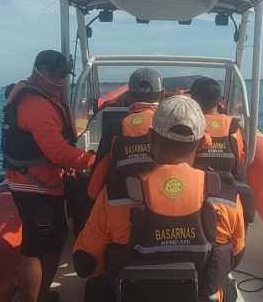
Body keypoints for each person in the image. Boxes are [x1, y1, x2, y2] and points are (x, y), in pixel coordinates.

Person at [73, 96, 245, 302]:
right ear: (202, 143)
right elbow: (235, 256)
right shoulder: (227, 197)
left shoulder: (114, 196)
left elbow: (84, 262)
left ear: (150, 139)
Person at [2, 50, 95, 302]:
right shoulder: (36, 105)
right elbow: (58, 152)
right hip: (35, 186)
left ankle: (43, 295)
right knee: (36, 246)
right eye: (54, 74)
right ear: (38, 71)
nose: (60, 79)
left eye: (63, 75)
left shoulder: (45, 98)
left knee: (56, 238)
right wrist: (94, 161)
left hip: (44, 182)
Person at [86, 67, 163, 201]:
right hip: (162, 206)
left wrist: (91, 199)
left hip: (122, 210)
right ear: (162, 95)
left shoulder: (115, 128)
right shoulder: (169, 124)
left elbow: (100, 171)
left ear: (128, 96)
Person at [189, 77, 246, 181]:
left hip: (199, 186)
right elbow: (240, 156)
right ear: (219, 100)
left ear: (194, 100)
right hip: (230, 189)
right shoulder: (232, 125)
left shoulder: (191, 123)